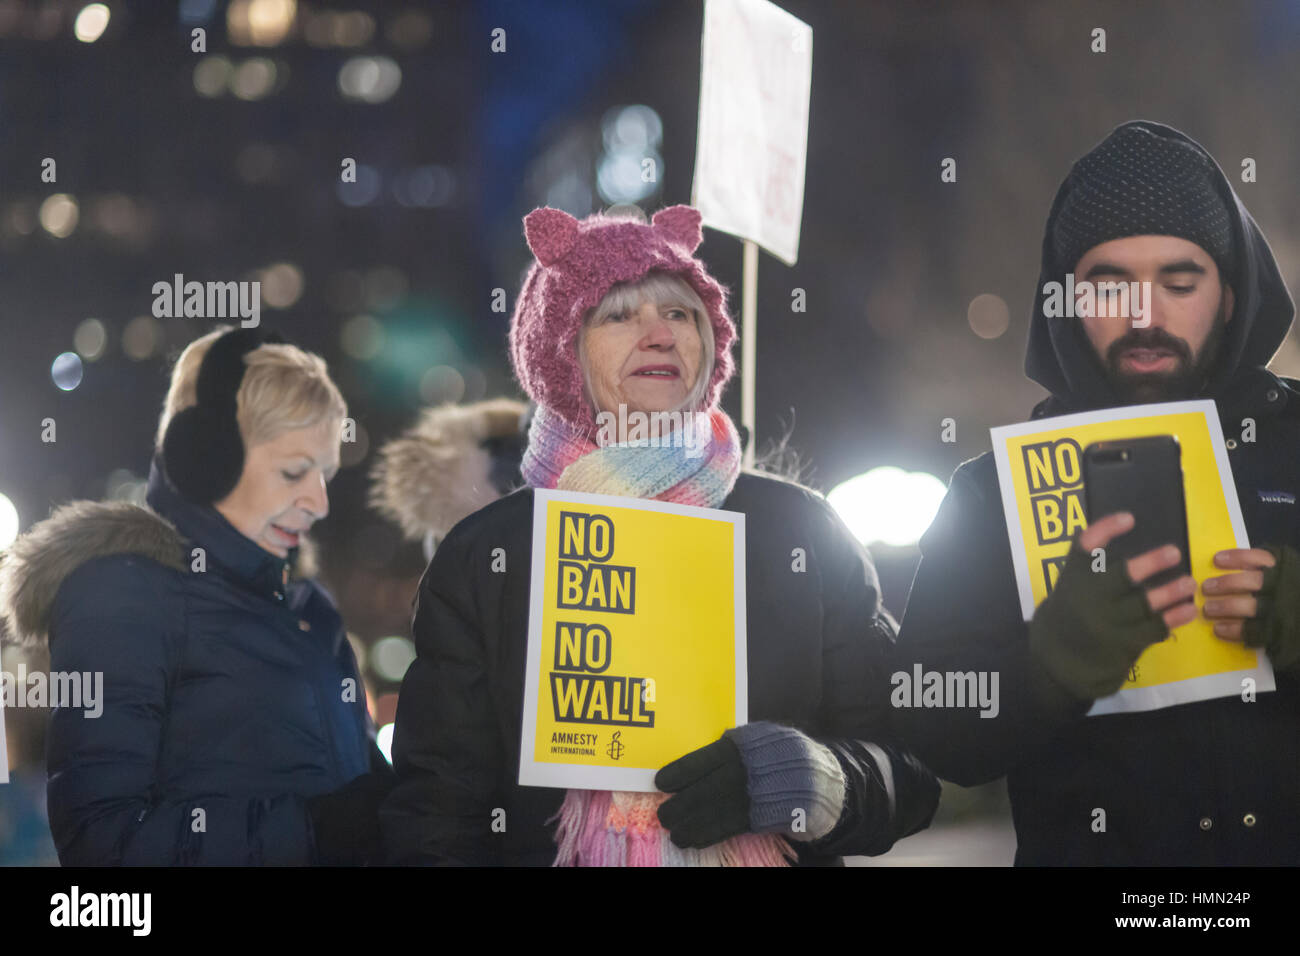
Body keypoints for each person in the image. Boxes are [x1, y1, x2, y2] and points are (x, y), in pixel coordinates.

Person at [381, 204, 939, 866]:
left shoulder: (802, 531)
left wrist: (808, 779)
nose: (659, 335)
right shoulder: (490, 555)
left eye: (679, 313)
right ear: (561, 353)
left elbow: (911, 769)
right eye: (619, 315)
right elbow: (437, 812)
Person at [893, 120, 1300, 865]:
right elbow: (925, 716)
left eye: (1179, 282)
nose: (1145, 315)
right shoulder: (992, 493)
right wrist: (1041, 673)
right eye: (1109, 284)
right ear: (1064, 302)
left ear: (1233, 296)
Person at [0, 325, 393, 865]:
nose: (318, 501)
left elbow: (353, 793)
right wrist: (315, 831)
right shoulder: (121, 596)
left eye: (324, 474)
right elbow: (103, 843)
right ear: (208, 457)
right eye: (295, 471)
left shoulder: (309, 608)